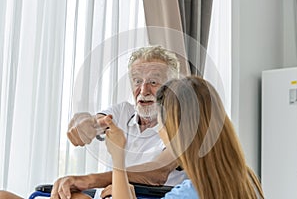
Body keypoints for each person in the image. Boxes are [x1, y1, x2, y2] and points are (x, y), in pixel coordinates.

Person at [0, 45, 185, 199]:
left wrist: (87, 180)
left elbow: (157, 174)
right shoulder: (123, 112)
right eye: (137, 81)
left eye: (153, 82)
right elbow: (95, 121)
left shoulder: (184, 125)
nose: (143, 90)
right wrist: (84, 122)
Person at [102, 76, 265, 199]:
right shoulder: (248, 181)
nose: (160, 132)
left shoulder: (187, 194)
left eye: (161, 125)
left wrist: (118, 158)